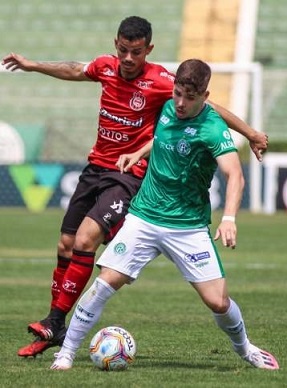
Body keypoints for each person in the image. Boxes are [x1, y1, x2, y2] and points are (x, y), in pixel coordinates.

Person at [2, 16, 268, 358]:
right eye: (124, 50)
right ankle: (56, 325)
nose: (129, 59)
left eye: (137, 52)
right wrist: (32, 65)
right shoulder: (106, 68)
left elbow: (207, 107)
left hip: (130, 177)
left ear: (149, 50)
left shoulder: (162, 82)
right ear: (116, 45)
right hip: (97, 166)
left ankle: (58, 326)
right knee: (67, 243)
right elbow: (73, 69)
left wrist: (250, 133)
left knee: (85, 239)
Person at [50, 58, 279, 371]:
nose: (180, 103)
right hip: (144, 217)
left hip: (187, 227)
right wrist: (139, 152)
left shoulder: (212, 129)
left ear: (205, 96)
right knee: (105, 283)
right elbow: (161, 136)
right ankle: (65, 354)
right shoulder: (168, 108)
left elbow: (235, 175)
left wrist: (229, 218)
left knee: (218, 302)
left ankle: (246, 349)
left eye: (189, 97)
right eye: (177, 94)